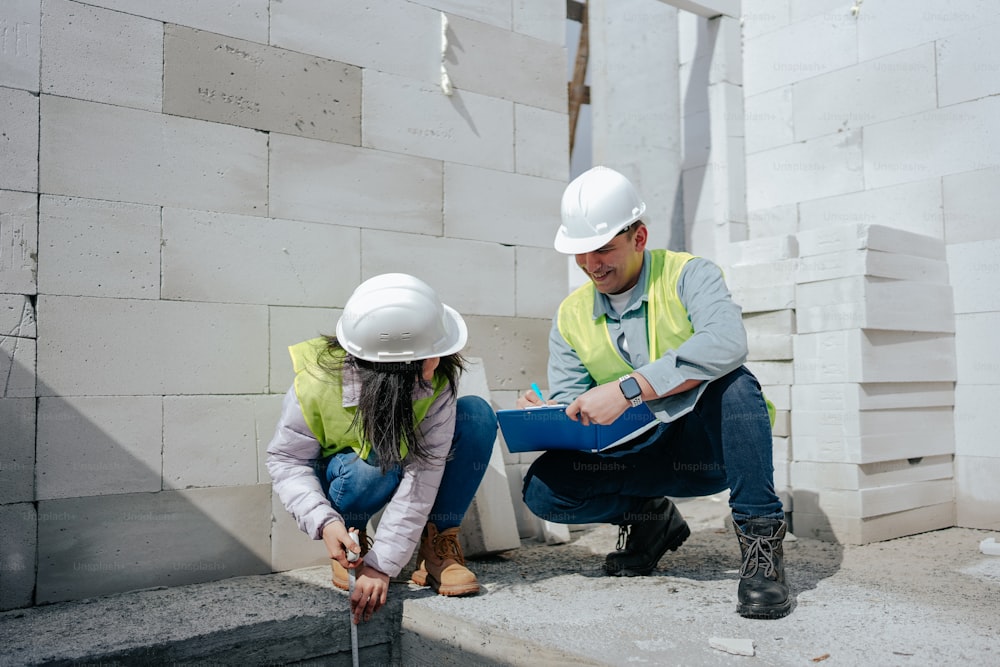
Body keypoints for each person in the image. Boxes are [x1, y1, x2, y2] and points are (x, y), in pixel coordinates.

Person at [517, 166, 791, 620]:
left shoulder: (688, 275)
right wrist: (549, 410)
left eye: (603, 249)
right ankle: (649, 519)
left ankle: (762, 549)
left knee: (734, 383)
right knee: (546, 492)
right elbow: (572, 399)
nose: (591, 265)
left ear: (639, 237)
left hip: (707, 451)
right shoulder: (570, 315)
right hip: (634, 454)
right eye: (581, 254)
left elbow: (726, 341)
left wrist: (629, 389)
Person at [267, 273, 497, 624]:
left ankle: (436, 547)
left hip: (402, 471)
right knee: (374, 463)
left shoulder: (436, 377)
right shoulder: (315, 383)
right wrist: (326, 523)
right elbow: (287, 461)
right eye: (426, 359)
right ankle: (351, 543)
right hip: (349, 481)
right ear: (388, 374)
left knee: (477, 415)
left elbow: (425, 474)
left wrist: (383, 566)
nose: (436, 365)